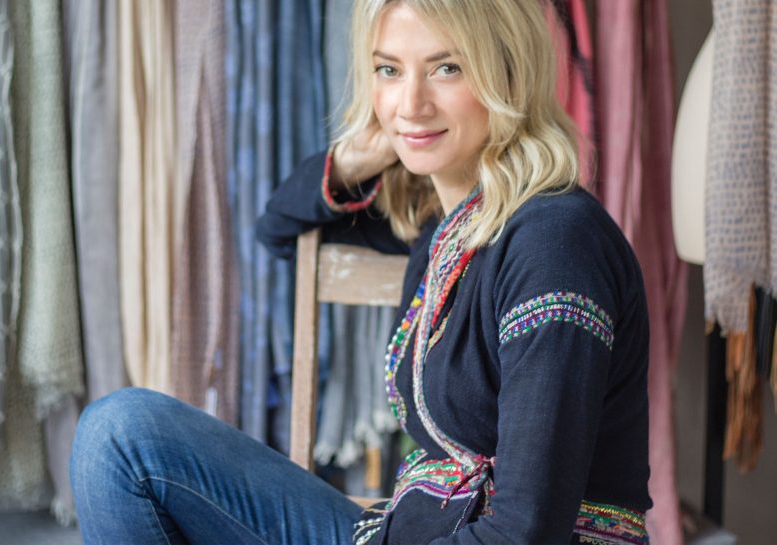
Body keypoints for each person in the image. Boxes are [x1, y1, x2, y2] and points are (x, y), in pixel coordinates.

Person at [69, 0, 652, 543]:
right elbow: (278, 224)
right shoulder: (448, 225)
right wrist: (362, 153)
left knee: (118, 438)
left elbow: (524, 531)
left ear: (506, 75)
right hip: (402, 530)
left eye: (446, 68)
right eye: (389, 70)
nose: (411, 104)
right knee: (119, 438)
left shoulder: (555, 242)